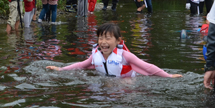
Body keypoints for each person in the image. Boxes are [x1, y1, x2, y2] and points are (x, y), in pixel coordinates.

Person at [46, 23, 182, 78]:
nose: (103, 42)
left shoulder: (126, 56)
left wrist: (169, 76)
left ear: (118, 41)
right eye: (100, 38)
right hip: (106, 84)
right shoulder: (96, 55)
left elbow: (148, 68)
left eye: (108, 38)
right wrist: (60, 69)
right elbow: (81, 65)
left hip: (126, 82)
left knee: (127, 84)